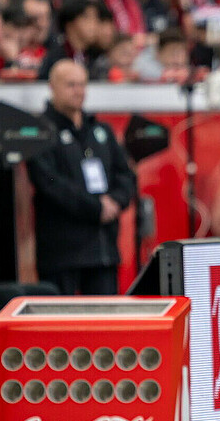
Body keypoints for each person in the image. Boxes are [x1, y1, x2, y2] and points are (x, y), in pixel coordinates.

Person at [26, 60, 137, 295]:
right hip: (62, 253)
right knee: (61, 326)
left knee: (105, 324)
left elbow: (125, 175)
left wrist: (115, 202)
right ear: (52, 87)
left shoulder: (100, 131)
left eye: (82, 85)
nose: (79, 91)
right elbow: (50, 183)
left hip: (103, 250)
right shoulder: (40, 132)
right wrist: (95, 207)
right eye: (71, 85)